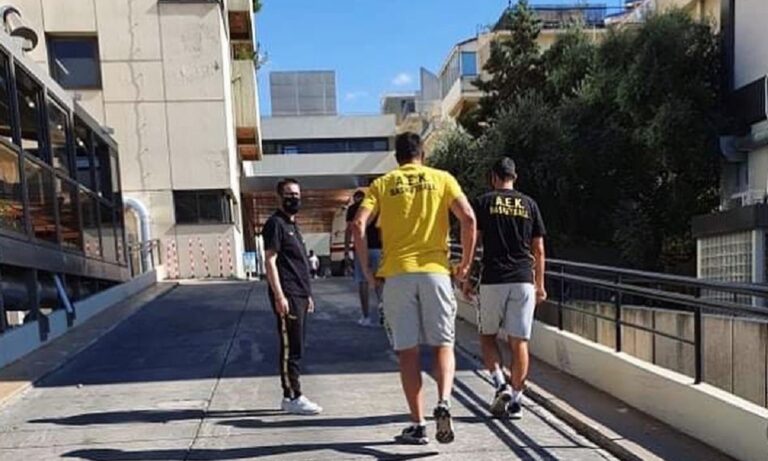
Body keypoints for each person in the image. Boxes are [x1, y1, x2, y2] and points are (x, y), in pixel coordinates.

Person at [352, 132, 476, 445]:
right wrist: (464, 265)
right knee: (443, 345)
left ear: (397, 158)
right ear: (423, 154)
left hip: (397, 275)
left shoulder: (383, 184)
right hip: (436, 272)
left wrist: (367, 270)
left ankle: (418, 424)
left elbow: (358, 224)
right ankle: (444, 401)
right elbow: (469, 219)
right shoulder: (443, 179)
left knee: (408, 353)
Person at [464, 157, 546, 420]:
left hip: (493, 279)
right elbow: (539, 249)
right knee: (519, 342)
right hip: (523, 280)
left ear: (493, 177)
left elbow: (473, 242)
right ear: (515, 177)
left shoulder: (483, 202)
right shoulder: (530, 204)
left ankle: (500, 384)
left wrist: (466, 275)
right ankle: (517, 400)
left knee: (487, 336)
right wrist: (540, 285)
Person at [262, 178, 323, 415]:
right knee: (290, 347)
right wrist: (279, 296)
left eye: (297, 194)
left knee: (298, 345)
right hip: (287, 294)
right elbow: (270, 261)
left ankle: (292, 394)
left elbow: (298, 264)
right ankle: (292, 395)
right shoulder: (275, 224)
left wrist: (307, 295)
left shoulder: (293, 226)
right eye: (289, 194)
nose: (294, 198)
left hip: (300, 295)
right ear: (279, 197)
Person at [345, 190, 383, 327]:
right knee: (380, 282)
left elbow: (350, 230)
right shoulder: (377, 206)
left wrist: (347, 250)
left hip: (361, 248)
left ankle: (366, 316)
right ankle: (383, 313)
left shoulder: (353, 209)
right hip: (378, 248)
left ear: (355, 198)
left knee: (363, 282)